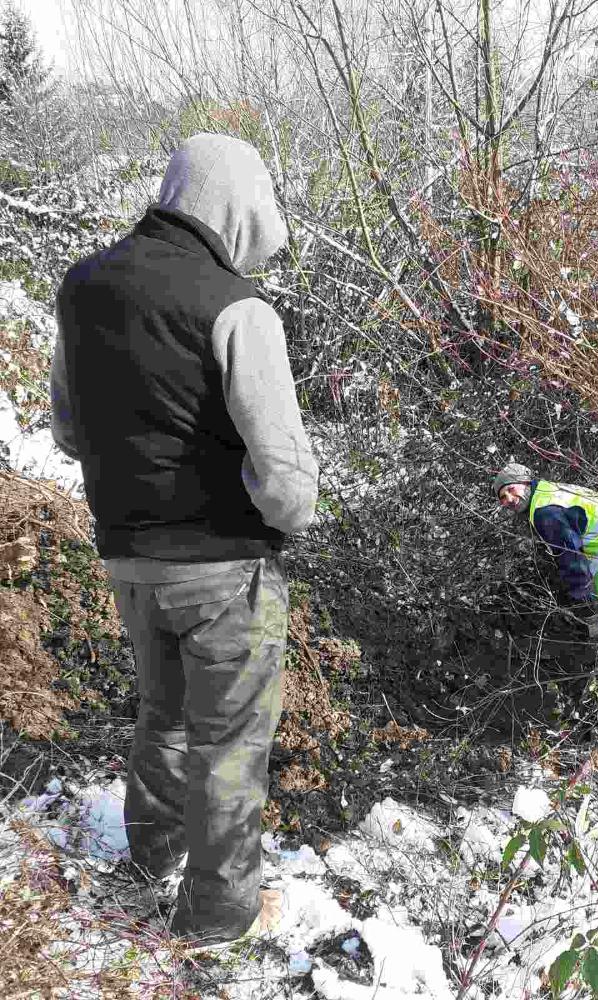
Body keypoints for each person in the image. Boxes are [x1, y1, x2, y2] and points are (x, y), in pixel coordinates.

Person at [49, 133, 318, 947]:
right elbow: (285, 475)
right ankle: (217, 923)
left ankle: (149, 868)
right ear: (236, 211)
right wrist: (283, 521)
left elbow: (66, 431)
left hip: (129, 562)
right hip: (224, 568)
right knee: (230, 744)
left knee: (162, 720)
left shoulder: (83, 287)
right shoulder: (238, 308)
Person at [493, 462, 598, 642]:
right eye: (503, 497)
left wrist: (588, 612)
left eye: (511, 489)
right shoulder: (551, 491)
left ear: (525, 482)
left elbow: (572, 561)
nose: (508, 499)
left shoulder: (545, 512)